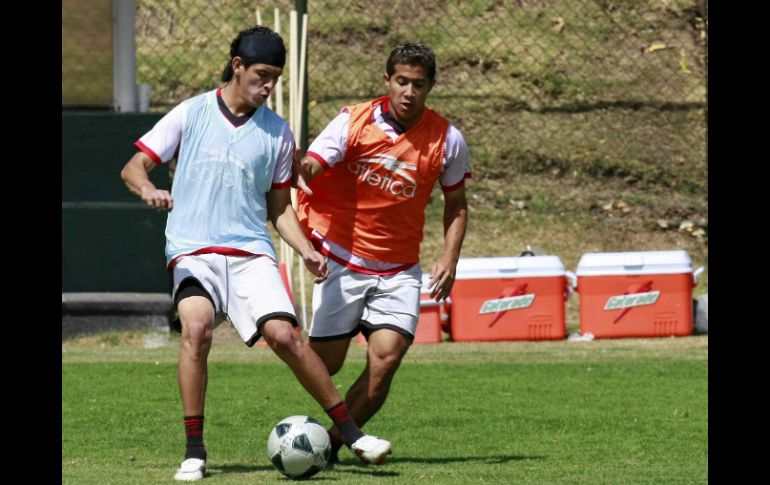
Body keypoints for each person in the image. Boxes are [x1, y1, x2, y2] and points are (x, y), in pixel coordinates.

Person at [120, 26, 391, 481]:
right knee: (197, 329)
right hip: (194, 249)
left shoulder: (277, 133)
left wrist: (305, 249)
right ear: (237, 65)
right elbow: (133, 166)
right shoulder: (192, 113)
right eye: (261, 75)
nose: (268, 87)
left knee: (285, 336)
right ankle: (194, 452)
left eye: (276, 79)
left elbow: (280, 208)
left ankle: (352, 432)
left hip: (249, 250)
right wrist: (147, 188)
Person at [294, 42, 470, 463]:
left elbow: (456, 203)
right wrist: (300, 172)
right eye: (402, 82)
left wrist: (450, 257)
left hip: (399, 269)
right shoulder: (352, 122)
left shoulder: (447, 139)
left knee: (386, 360)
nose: (409, 92)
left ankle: (330, 445)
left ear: (430, 87)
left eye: (419, 84)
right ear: (387, 81)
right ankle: (324, 438)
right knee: (326, 365)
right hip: (342, 258)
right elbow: (315, 163)